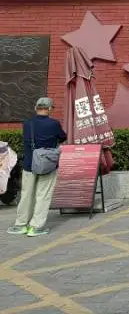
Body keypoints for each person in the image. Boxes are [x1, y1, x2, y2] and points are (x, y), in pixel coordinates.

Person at [7, 97, 67, 237]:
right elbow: (62, 137)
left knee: (27, 194)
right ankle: (36, 227)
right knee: (43, 195)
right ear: (50, 108)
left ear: (36, 108)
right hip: (48, 165)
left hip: (29, 165)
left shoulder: (27, 124)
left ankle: (21, 225)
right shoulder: (54, 124)